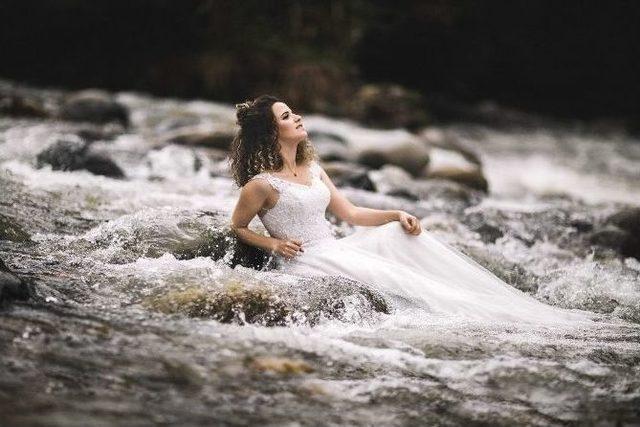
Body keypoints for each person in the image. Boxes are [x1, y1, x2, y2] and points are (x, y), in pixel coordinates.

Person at [228, 95, 594, 325]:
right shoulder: (260, 185)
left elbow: (351, 214)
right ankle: (465, 313)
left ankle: (479, 302)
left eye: (293, 113)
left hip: (336, 245)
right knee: (400, 282)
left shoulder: (312, 168)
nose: (298, 118)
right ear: (270, 131)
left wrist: (395, 214)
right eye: (287, 116)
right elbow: (238, 227)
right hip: (308, 259)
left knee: (396, 234)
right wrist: (273, 245)